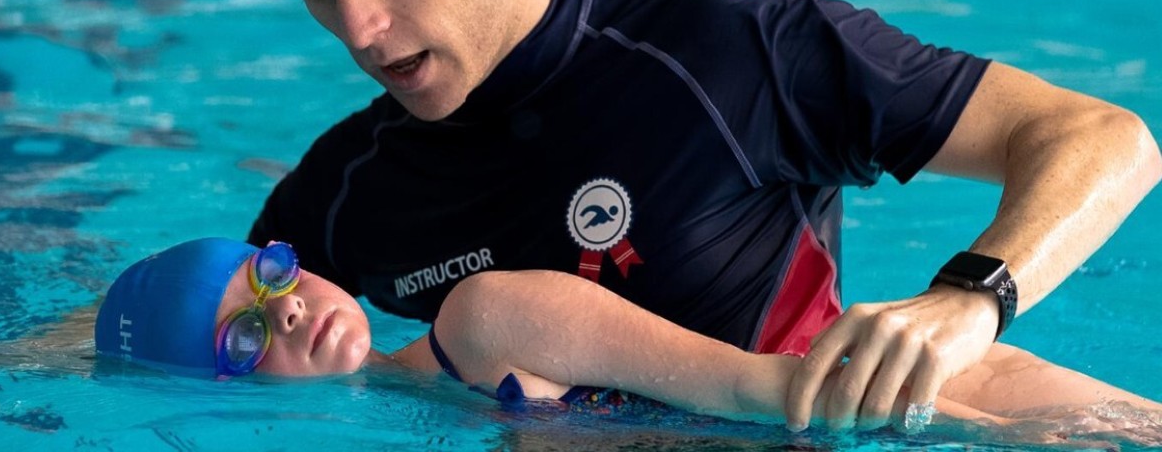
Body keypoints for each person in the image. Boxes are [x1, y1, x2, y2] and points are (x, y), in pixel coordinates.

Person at [243, 0, 1162, 431]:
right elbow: (161, 331)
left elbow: (1102, 140)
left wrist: (966, 302)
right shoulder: (348, 187)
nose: (358, 28)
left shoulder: (727, 54)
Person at [92, 238, 1161, 443]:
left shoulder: (483, 322)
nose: (284, 310)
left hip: (933, 393)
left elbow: (770, 391)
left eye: (269, 275)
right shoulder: (436, 402)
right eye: (242, 337)